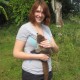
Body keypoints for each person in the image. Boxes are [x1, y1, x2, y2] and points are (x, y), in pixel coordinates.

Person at [13, 0, 59, 80]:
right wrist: (38, 56)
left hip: (48, 71)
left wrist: (52, 45)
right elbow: (16, 53)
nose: (40, 15)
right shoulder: (25, 28)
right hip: (32, 74)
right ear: (33, 12)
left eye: (43, 12)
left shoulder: (47, 28)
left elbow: (56, 50)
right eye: (37, 11)